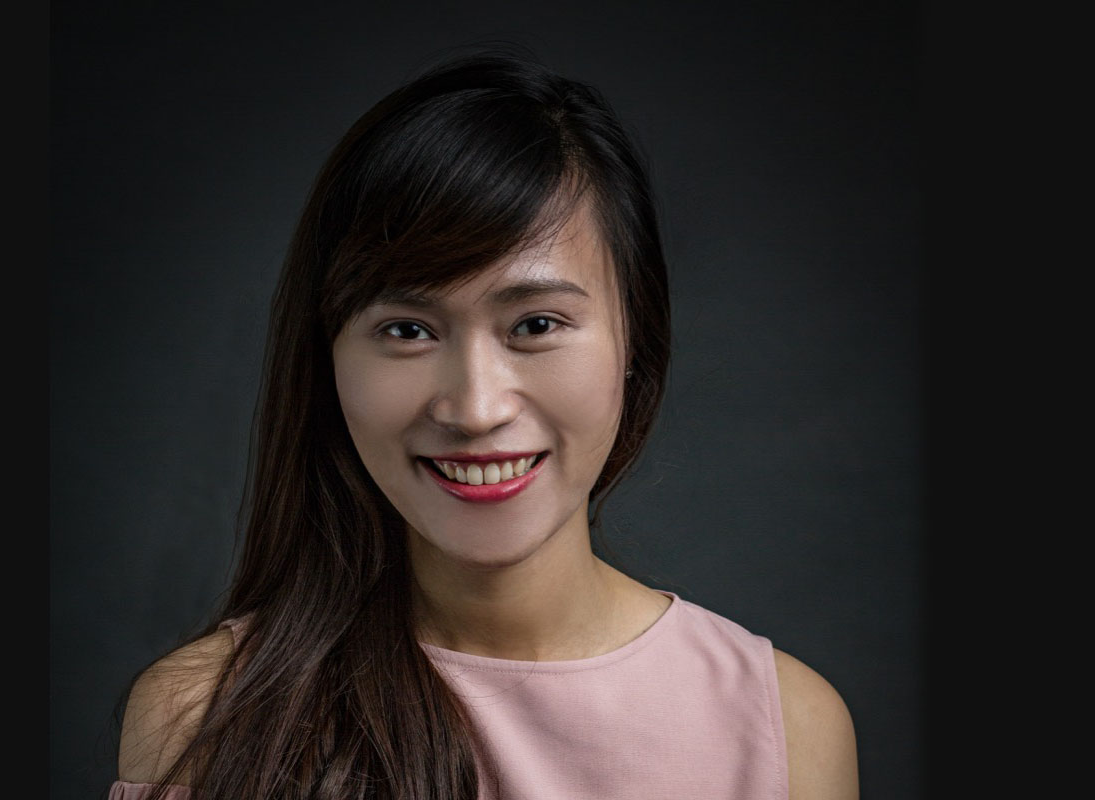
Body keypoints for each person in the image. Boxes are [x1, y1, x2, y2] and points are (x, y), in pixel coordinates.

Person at [109, 48, 858, 800]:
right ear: (327, 358)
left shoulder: (786, 728)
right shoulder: (207, 718)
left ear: (637, 340)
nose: (474, 408)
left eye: (535, 323)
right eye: (407, 330)